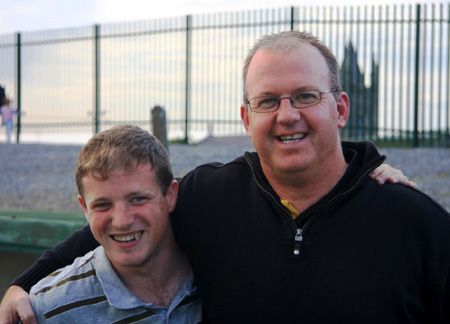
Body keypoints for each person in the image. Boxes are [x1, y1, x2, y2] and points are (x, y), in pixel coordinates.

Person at [0, 31, 432, 324]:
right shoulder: (211, 195)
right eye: (267, 101)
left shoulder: (415, 223)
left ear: (340, 110)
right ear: (246, 118)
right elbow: (121, 221)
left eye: (305, 96)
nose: (286, 115)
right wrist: (23, 284)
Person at [28, 125, 202, 323]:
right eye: (102, 205)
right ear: (84, 208)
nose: (121, 221)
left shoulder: (220, 275)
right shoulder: (48, 310)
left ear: (170, 196)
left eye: (138, 199)